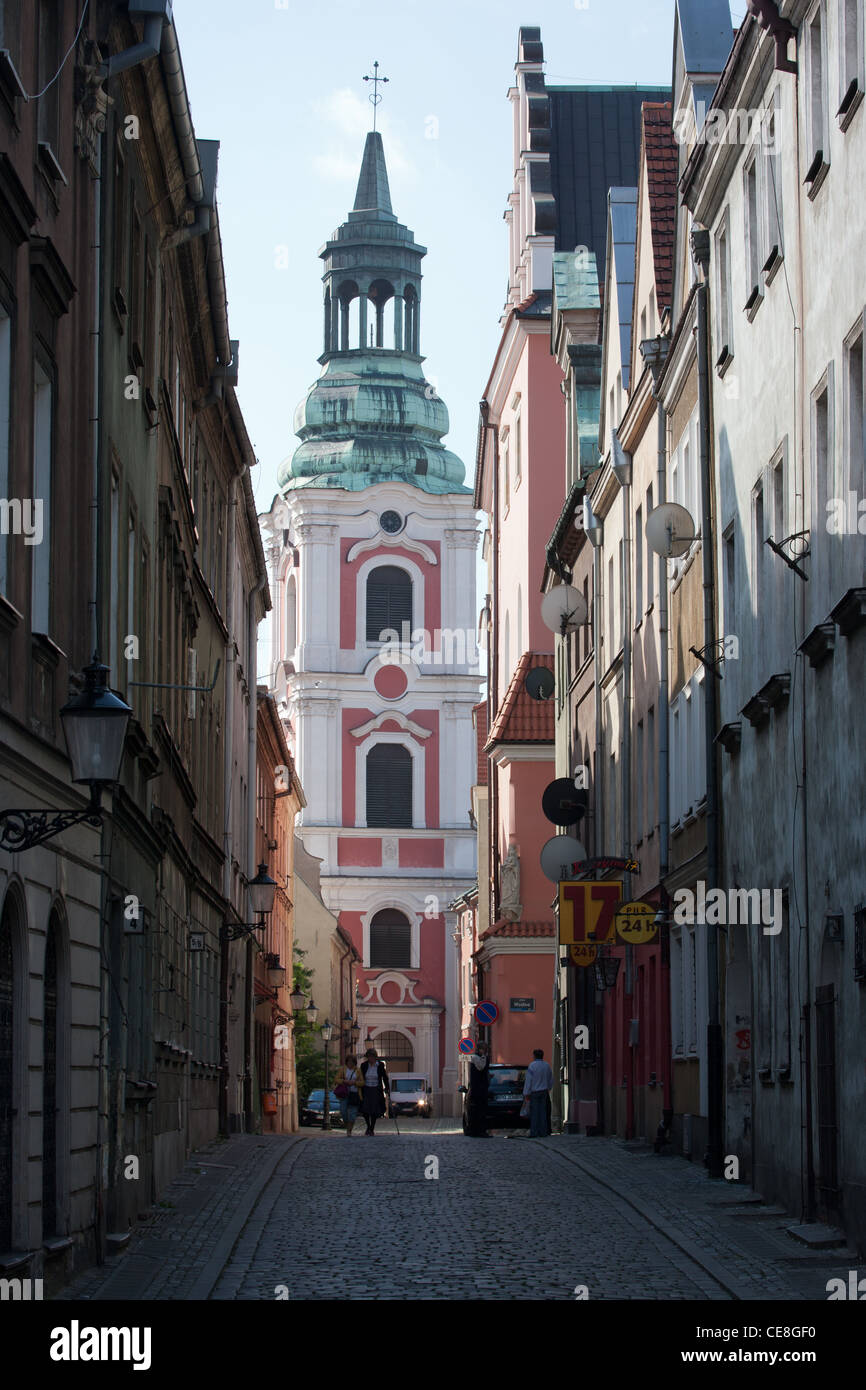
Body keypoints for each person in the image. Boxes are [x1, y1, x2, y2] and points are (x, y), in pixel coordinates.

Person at [523, 1048, 554, 1138]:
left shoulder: (532, 1066)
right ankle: (543, 1131)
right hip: (544, 1091)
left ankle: (534, 1132)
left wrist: (526, 1093)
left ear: (534, 1056)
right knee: (543, 1112)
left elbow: (529, 1080)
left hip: (535, 1092)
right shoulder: (546, 1065)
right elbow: (550, 1078)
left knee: (535, 1113)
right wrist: (549, 1087)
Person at [359, 1046, 390, 1135]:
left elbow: (384, 1077)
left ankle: (371, 1128)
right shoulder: (364, 1065)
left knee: (374, 1110)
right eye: (369, 1057)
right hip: (366, 1089)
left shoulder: (380, 1065)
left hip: (376, 1089)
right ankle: (368, 1126)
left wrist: (387, 1088)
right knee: (365, 1110)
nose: (370, 1058)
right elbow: (361, 1077)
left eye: (372, 1057)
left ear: (375, 1057)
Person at [333, 1053, 362, 1136]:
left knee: (352, 1114)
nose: (350, 1063)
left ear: (354, 1062)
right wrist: (344, 1081)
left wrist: (355, 1083)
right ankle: (347, 1125)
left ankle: (349, 1130)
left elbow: (362, 1082)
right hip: (344, 1094)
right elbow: (336, 1079)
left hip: (354, 1093)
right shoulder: (342, 1069)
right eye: (349, 1062)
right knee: (343, 1111)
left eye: (352, 1062)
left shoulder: (358, 1070)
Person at [465, 1041, 490, 1137]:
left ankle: (479, 1130)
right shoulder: (475, 1058)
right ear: (480, 1049)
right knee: (476, 1110)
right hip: (477, 1089)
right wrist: (484, 1056)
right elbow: (481, 1067)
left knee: (481, 1111)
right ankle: (476, 1131)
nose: (485, 1051)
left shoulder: (482, 1058)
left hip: (481, 1088)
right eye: (484, 1049)